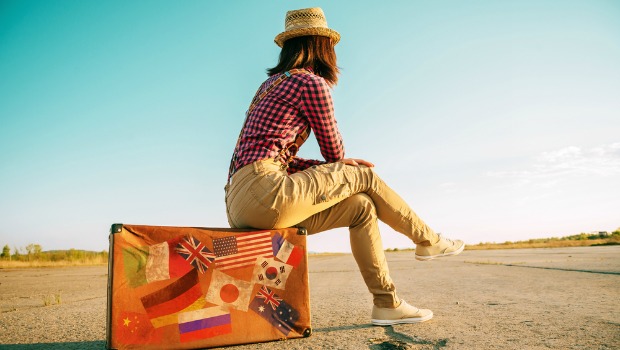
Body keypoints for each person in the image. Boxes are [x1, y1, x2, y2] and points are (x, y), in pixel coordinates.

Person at [225, 7, 465, 326]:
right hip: (265, 191)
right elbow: (334, 150)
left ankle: (387, 303)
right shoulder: (309, 83)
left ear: (290, 47)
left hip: (243, 201)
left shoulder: (268, 86)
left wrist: (333, 167)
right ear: (322, 45)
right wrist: (342, 165)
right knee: (364, 175)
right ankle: (427, 240)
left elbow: (282, 160)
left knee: (360, 207)